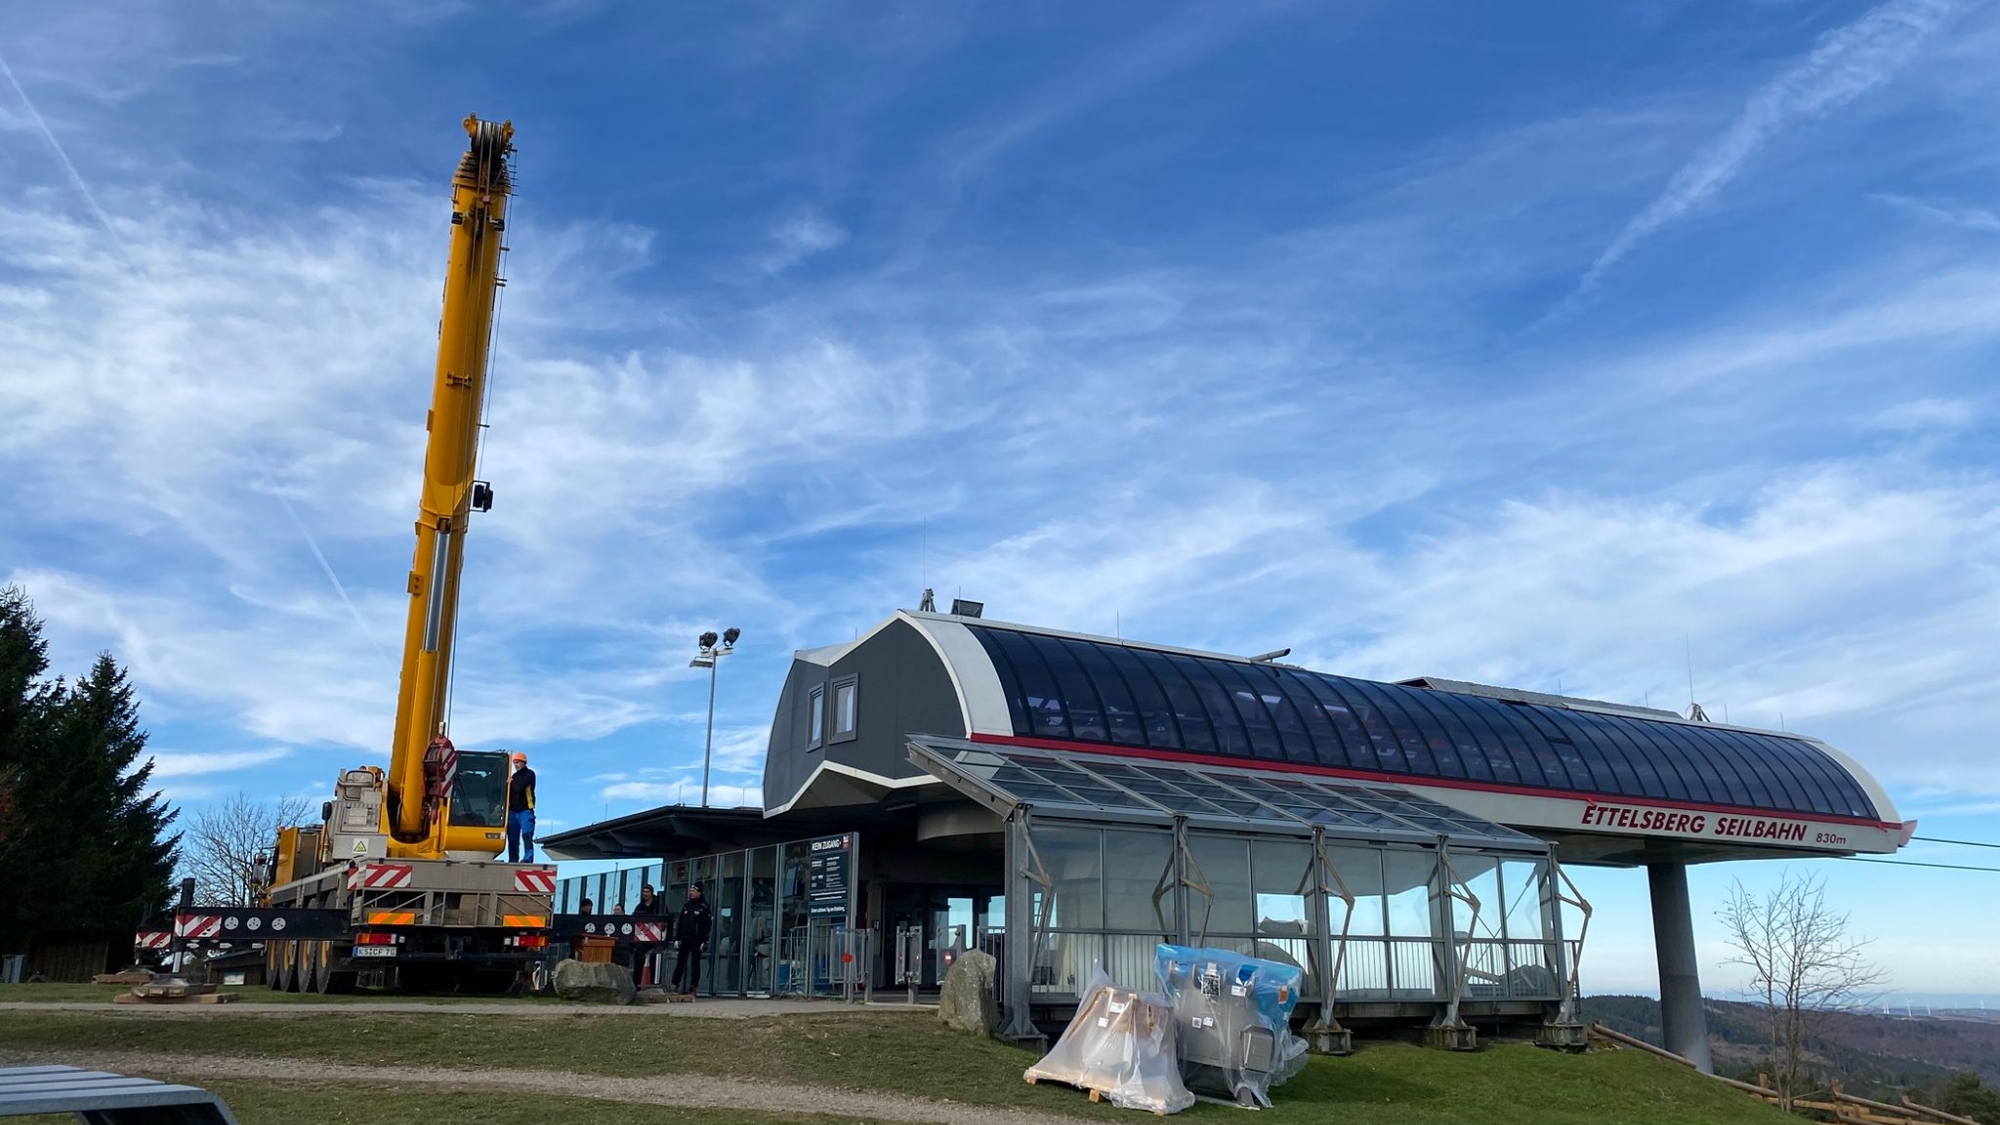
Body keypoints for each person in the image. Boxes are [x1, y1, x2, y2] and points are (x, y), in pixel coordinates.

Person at [672, 882, 713, 997]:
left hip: (697, 940)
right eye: (690, 891)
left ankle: (693, 986)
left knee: (695, 964)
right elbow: (680, 923)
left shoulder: (704, 907)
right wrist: (677, 938)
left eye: (693, 891)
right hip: (685, 939)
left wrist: (705, 941)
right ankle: (675, 984)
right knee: (680, 962)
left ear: (699, 893)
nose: (691, 893)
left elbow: (707, 926)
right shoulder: (686, 906)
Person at [505, 751, 536, 863]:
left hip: (526, 810)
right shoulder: (514, 776)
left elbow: (519, 787)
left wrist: (510, 782)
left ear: (524, 762)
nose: (516, 765)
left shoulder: (529, 774)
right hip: (513, 811)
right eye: (514, 762)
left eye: (517, 762)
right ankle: (513, 859)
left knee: (526, 835)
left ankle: (528, 858)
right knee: (512, 839)